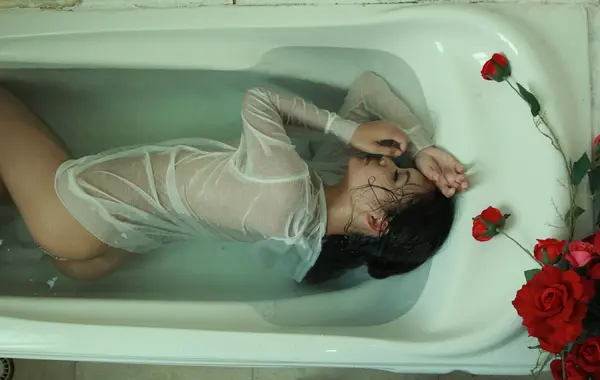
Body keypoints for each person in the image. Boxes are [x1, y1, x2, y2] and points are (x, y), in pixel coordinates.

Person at [0, 72, 467, 283]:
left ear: (376, 222)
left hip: (75, 210)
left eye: (396, 179)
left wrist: (347, 130)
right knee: (57, 244)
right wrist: (423, 147)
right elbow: (366, 88)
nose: (387, 163)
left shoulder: (288, 189)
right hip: (117, 243)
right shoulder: (313, 229)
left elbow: (259, 99)